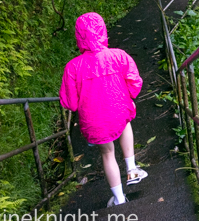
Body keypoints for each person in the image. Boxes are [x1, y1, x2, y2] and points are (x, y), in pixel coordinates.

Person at [60, 12, 147, 207]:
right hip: (118, 110)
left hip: (93, 120)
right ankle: (131, 168)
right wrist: (129, 98)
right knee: (125, 120)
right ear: (102, 31)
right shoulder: (118, 56)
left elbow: (70, 103)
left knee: (107, 154)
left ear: (79, 36)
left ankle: (119, 199)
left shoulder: (72, 67)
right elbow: (134, 83)